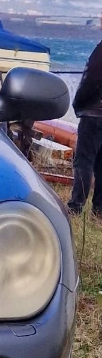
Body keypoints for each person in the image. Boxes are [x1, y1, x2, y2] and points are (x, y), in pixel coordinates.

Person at [68, 18, 102, 217]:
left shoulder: (100, 50)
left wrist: (78, 103)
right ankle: (99, 211)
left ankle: (76, 207)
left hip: (94, 114)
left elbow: (91, 81)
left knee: (84, 162)